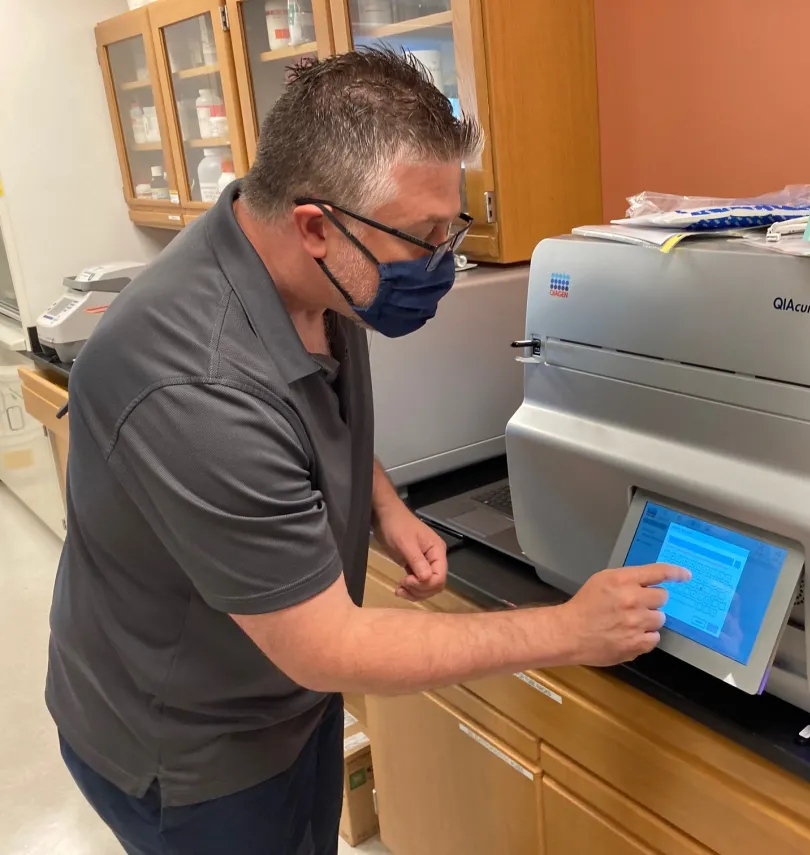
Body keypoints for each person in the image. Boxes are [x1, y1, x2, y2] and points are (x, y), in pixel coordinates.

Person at [46, 48, 687, 855]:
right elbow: (328, 646)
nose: (438, 261)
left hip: (281, 701)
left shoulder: (308, 266)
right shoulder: (195, 382)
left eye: (448, 227)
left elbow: (314, 407)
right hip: (190, 750)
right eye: (421, 238)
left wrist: (384, 504)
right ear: (315, 225)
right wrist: (568, 628)